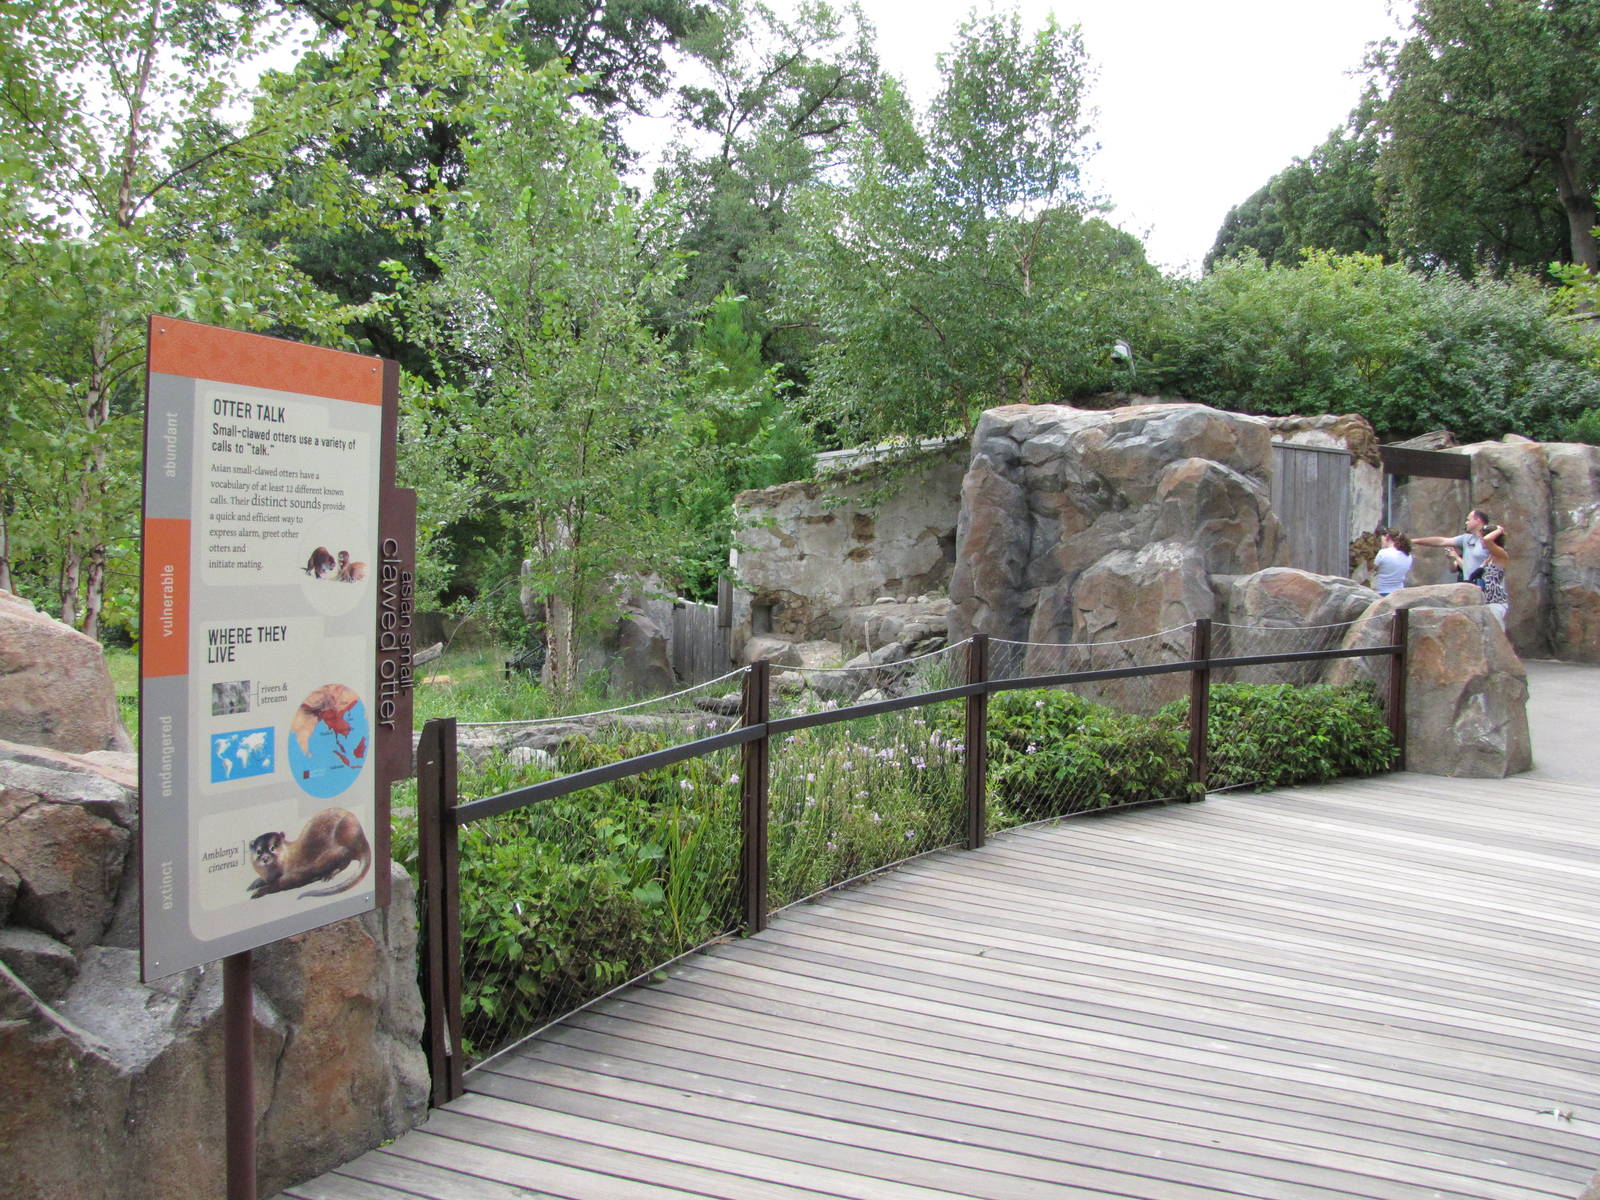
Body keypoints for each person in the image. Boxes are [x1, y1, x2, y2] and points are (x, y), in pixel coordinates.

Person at [1413, 509, 1491, 584]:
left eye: (1468, 520)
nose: (1466, 522)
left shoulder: (1491, 540)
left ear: (1477, 520)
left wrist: (1456, 556)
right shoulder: (1466, 538)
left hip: (1487, 585)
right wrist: (1414, 541)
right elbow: (1441, 541)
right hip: (1470, 585)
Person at [1372, 528, 1413, 596]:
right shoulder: (1408, 555)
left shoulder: (1383, 553)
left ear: (1387, 537)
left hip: (1381, 592)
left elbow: (1373, 569)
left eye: (1381, 539)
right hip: (1399, 593)